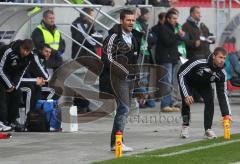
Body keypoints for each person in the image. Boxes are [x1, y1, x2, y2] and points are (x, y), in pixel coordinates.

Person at [100, 9, 141, 152]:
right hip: (116, 78)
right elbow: (107, 58)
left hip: (129, 79)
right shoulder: (113, 37)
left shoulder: (134, 38)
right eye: (128, 20)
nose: (131, 23)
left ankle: (116, 142)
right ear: (121, 21)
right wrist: (121, 71)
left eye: (133, 20)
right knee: (124, 108)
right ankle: (117, 143)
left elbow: (134, 60)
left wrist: (136, 78)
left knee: (124, 110)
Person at [178, 47, 231, 139]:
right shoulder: (199, 61)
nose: (222, 60)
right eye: (220, 57)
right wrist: (186, 94)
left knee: (210, 101)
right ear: (214, 56)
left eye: (224, 58)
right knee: (187, 102)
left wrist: (226, 114)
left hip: (203, 84)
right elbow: (181, 74)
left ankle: (208, 129)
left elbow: (222, 94)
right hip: (188, 81)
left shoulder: (222, 73)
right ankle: (185, 126)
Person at [154, 10, 185, 112]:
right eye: (174, 18)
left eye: (176, 19)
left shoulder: (173, 28)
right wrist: (177, 35)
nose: (176, 21)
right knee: (167, 82)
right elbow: (167, 42)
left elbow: (177, 42)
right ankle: (165, 104)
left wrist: (180, 36)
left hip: (172, 58)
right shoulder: (163, 28)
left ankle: (170, 103)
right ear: (168, 19)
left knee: (172, 82)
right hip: (165, 59)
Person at [0, 39, 33, 131]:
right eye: (24, 49)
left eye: (28, 51)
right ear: (20, 46)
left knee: (17, 92)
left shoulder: (29, 57)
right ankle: (2, 121)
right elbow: (0, 69)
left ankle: (12, 121)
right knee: (1, 93)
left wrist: (14, 86)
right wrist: (9, 85)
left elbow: (20, 73)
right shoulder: (8, 50)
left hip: (10, 78)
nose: (25, 53)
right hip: (1, 75)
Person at [20, 44, 55, 115]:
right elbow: (45, 75)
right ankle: (29, 116)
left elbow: (45, 75)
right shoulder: (35, 56)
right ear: (40, 50)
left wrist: (42, 80)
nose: (48, 54)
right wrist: (41, 80)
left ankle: (41, 111)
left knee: (53, 90)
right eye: (46, 51)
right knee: (32, 89)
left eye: (49, 52)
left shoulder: (43, 59)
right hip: (23, 81)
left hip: (33, 81)